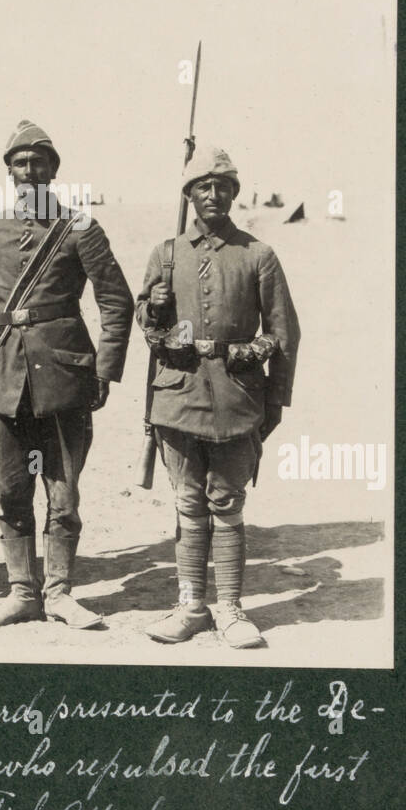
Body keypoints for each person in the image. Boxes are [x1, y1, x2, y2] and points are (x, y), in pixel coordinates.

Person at [0, 120, 134, 630]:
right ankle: (22, 592)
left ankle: (62, 592)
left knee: (63, 490)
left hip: (67, 379)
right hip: (4, 378)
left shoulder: (79, 229)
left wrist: (107, 370)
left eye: (39, 162)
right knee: (10, 489)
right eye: (20, 163)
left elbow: (115, 300)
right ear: (8, 172)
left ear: (54, 170)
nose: (29, 171)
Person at [135, 146, 300, 649]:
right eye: (203, 186)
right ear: (188, 194)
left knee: (226, 503)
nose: (213, 194)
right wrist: (154, 308)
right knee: (188, 503)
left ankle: (229, 608)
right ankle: (191, 607)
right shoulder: (165, 253)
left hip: (237, 399)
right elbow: (148, 325)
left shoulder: (258, 254)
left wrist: (274, 404)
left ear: (234, 192)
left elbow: (284, 332)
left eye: (223, 185)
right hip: (177, 398)